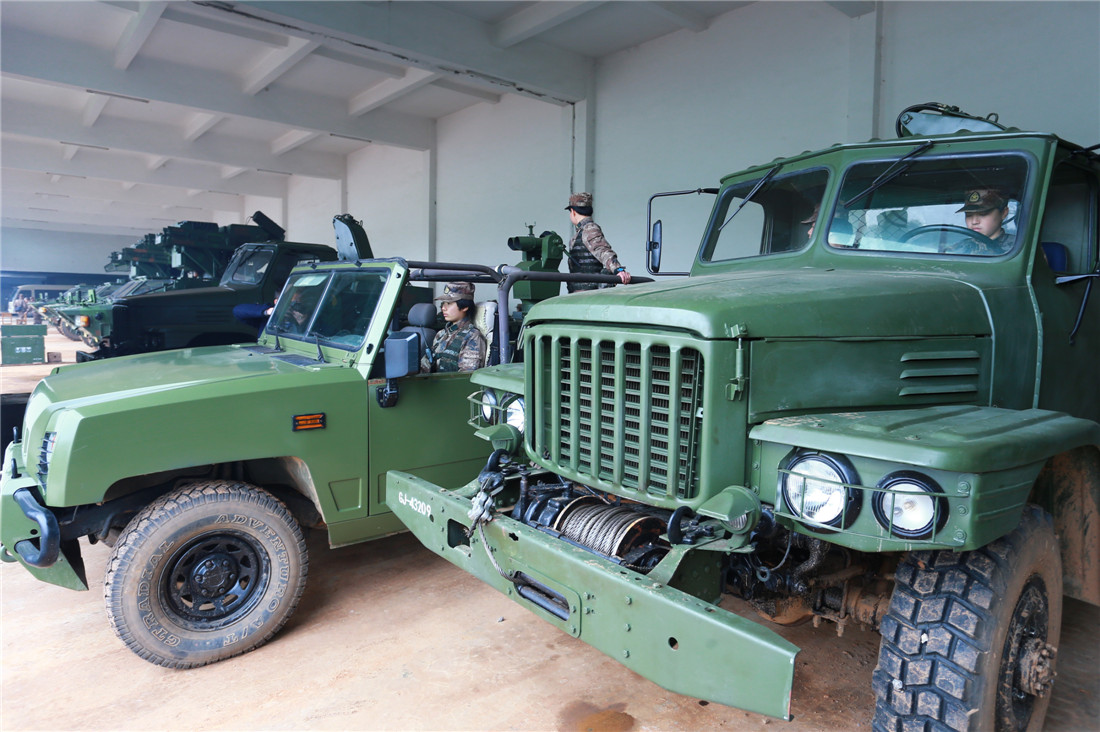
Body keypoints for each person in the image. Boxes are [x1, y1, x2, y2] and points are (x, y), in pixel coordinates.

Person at [564, 192, 631, 293]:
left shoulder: (589, 229)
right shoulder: (580, 233)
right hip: (580, 294)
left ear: (573, 211)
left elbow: (603, 251)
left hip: (589, 295)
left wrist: (619, 270)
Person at [421, 281, 486, 373]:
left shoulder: (472, 336)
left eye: (449, 303)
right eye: (443, 303)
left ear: (465, 307)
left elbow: (466, 377)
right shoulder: (441, 334)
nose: (443, 308)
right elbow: (424, 367)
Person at [948, 188, 1014, 255]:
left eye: (983, 214)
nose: (974, 221)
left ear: (1004, 213)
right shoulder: (958, 249)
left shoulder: (1016, 248)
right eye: (968, 215)